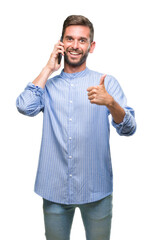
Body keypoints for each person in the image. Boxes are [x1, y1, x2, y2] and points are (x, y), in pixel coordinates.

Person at [16, 15, 136, 240]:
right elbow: (24, 106)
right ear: (61, 43)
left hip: (96, 189)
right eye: (69, 39)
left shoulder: (106, 83)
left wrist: (111, 103)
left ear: (91, 46)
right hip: (54, 188)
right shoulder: (48, 86)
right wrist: (48, 67)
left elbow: (128, 128)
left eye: (82, 40)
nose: (75, 45)